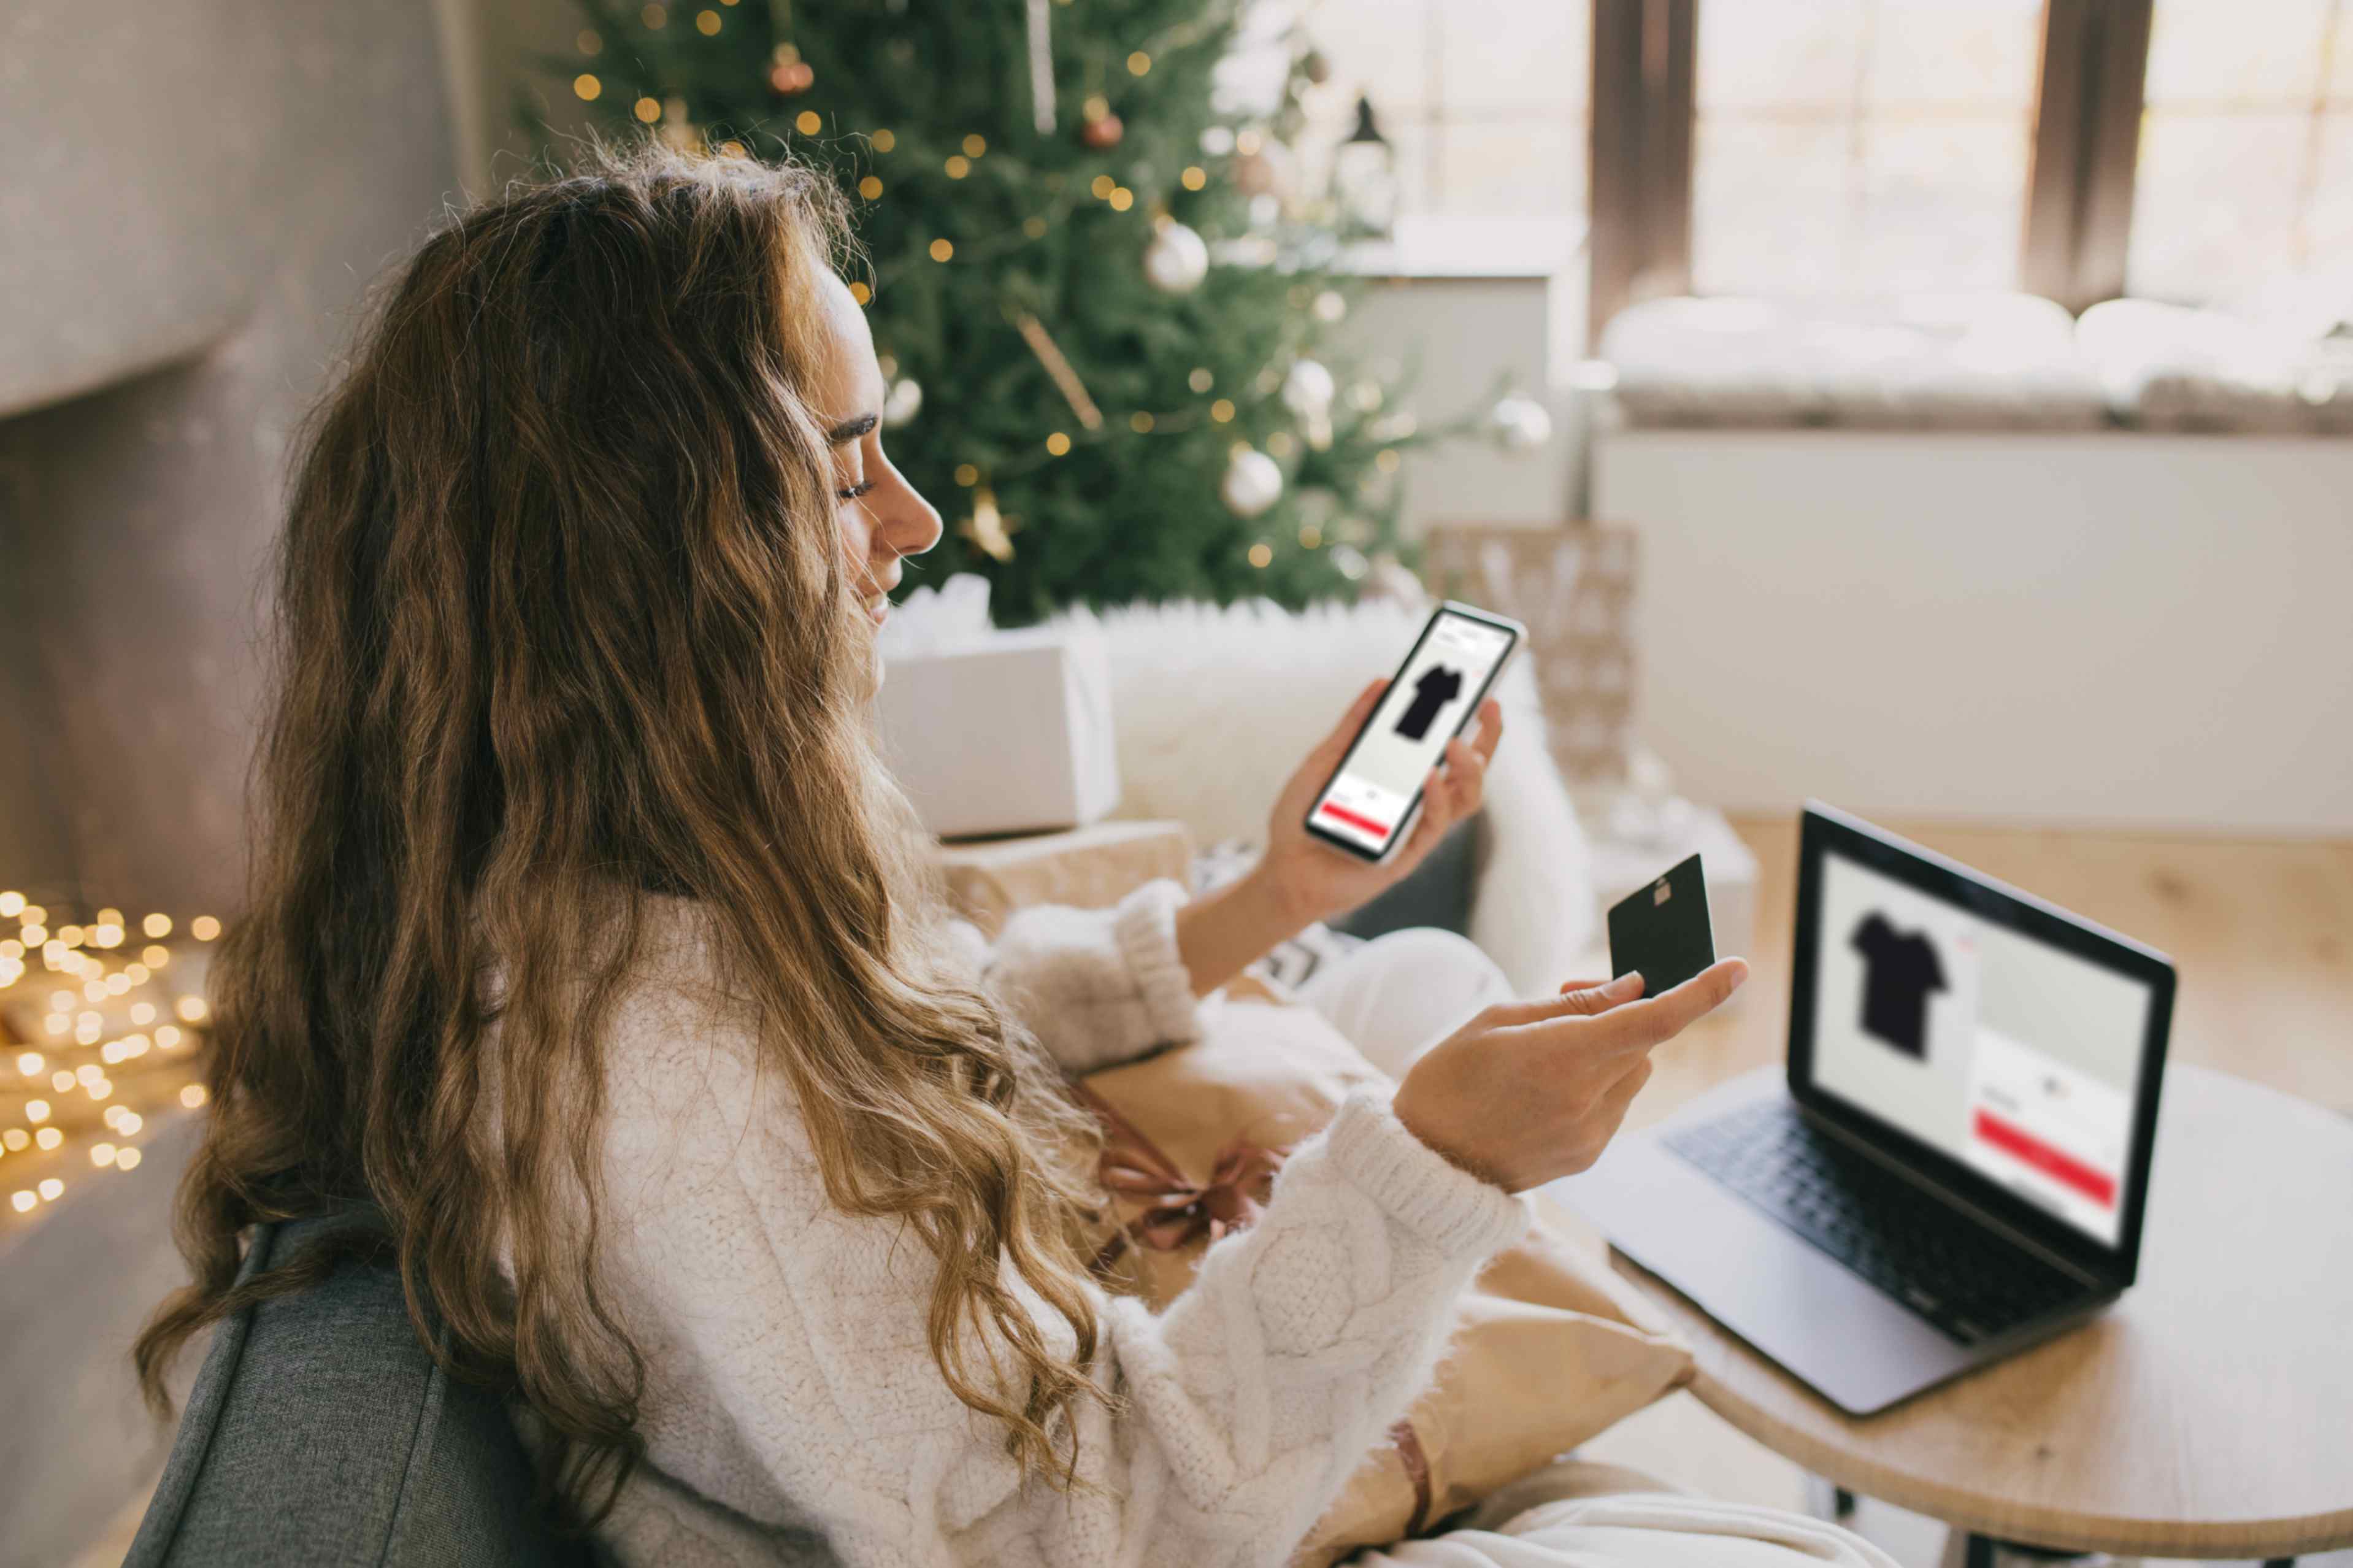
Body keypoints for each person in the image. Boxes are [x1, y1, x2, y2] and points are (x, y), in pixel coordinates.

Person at [132, 140, 1825, 1568]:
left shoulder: (606, 876)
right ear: (656, 545)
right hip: (1129, 1499)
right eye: (844, 461)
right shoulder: (681, 1081)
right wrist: (1432, 1163)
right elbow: (1100, 1524)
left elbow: (922, 1002)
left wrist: (1269, 898)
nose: (912, 521)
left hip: (1048, 1345)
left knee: (1418, 973)